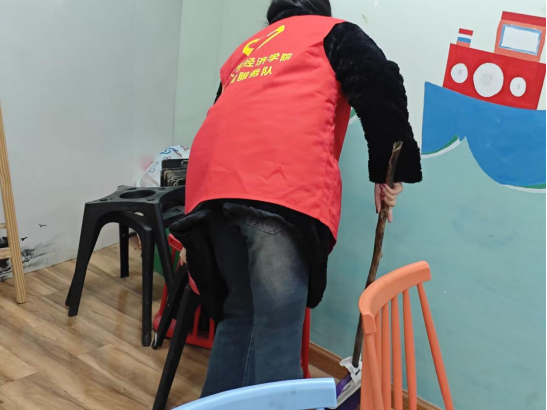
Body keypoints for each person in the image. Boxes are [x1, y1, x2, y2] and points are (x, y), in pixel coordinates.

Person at [171, 0, 422, 397]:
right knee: (277, 332)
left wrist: (195, 212)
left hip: (213, 192)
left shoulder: (250, 47)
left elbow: (222, 118)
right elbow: (381, 83)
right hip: (277, 189)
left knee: (238, 316)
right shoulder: (333, 33)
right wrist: (388, 172)